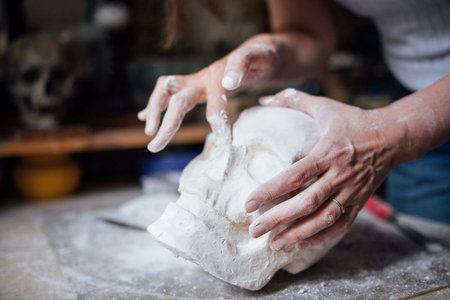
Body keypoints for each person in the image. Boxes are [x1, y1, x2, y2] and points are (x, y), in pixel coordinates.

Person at [138, 0, 450, 251]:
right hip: (411, 90)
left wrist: (395, 133)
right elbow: (307, 31)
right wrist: (272, 51)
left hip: (418, 114)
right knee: (429, 246)